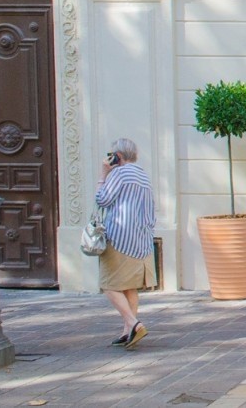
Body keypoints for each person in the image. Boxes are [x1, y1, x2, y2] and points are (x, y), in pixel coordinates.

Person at [95, 137, 156, 349]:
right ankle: (127, 331)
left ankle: (133, 323)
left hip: (119, 237)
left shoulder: (119, 173)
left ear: (117, 156)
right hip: (141, 239)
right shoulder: (142, 174)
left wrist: (104, 174)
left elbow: (102, 199)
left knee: (109, 284)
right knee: (129, 286)